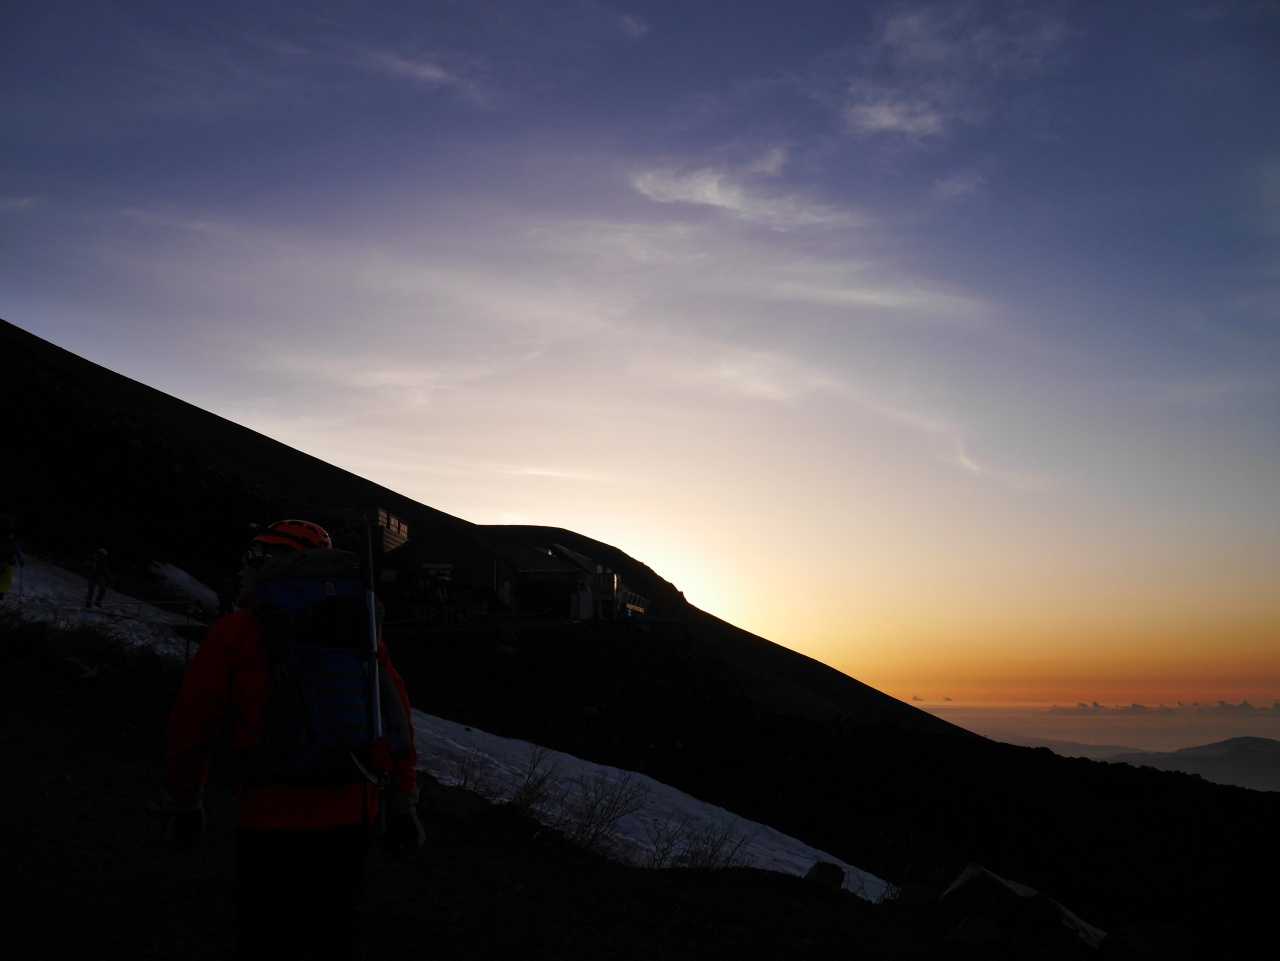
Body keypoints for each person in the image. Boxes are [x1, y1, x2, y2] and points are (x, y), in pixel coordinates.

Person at [163, 519, 424, 960]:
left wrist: (186, 803)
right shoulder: (359, 629)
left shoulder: (237, 631)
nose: (244, 568)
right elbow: (395, 720)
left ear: (270, 563)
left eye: (253, 558)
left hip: (268, 814)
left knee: (267, 934)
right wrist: (403, 803)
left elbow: (193, 724)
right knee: (332, 933)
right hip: (353, 811)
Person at [0, 524, 23, 603]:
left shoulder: (13, 543)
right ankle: (1, 593)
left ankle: (1, 593)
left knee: (6, 580)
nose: (11, 536)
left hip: (8, 563)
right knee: (4, 579)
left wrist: (20, 560)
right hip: (3, 562)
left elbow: (17, 551)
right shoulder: (5, 541)